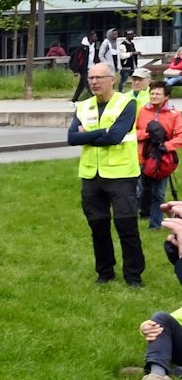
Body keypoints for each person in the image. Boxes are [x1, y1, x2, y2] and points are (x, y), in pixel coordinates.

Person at [72, 62, 145, 286]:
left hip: (121, 175)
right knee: (98, 225)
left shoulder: (127, 103)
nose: (94, 82)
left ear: (112, 79)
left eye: (99, 77)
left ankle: (134, 277)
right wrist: (102, 132)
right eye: (91, 78)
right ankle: (105, 273)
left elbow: (116, 137)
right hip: (91, 176)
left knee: (126, 225)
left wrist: (90, 134)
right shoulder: (83, 106)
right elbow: (72, 138)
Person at [140, 83, 182, 232]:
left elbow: (180, 136)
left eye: (158, 94)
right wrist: (147, 135)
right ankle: (142, 213)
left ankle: (155, 225)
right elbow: (134, 131)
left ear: (166, 97)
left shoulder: (174, 114)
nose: (154, 96)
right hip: (142, 157)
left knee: (159, 193)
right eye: (152, 93)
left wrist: (166, 146)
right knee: (140, 191)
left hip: (162, 159)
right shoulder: (143, 111)